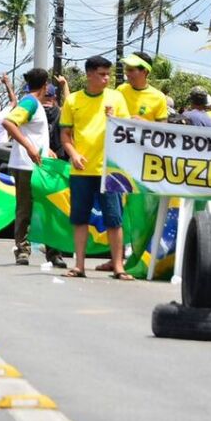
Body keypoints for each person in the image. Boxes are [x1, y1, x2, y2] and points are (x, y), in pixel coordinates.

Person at [60, 55, 131, 279]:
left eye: (108, 74)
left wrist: (114, 119)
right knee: (80, 218)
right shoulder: (73, 100)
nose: (106, 79)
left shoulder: (116, 98)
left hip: (109, 170)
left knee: (114, 218)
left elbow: (127, 131)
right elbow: (65, 135)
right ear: (89, 74)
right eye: (101, 74)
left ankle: (118, 266)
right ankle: (79, 265)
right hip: (82, 170)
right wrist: (73, 154)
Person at [2, 68, 51, 265]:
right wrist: (30, 147)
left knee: (46, 208)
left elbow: (34, 133)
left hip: (37, 165)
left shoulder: (34, 104)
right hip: (26, 165)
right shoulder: (30, 102)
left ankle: (52, 252)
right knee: (26, 209)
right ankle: (22, 249)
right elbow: (9, 122)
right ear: (45, 85)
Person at [117, 52, 168, 123]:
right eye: (126, 69)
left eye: (131, 70)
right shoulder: (120, 90)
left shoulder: (159, 97)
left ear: (144, 71)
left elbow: (163, 128)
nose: (127, 73)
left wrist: (143, 123)